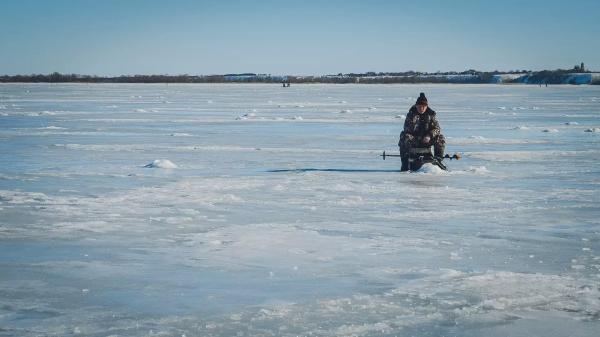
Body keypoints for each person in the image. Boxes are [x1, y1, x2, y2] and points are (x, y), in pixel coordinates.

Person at [398, 92, 445, 171]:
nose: (421, 108)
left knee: (440, 138)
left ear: (426, 106)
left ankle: (438, 160)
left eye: (424, 106)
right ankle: (405, 162)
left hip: (427, 140)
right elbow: (406, 129)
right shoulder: (411, 114)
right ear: (416, 106)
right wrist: (417, 137)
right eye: (419, 106)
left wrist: (429, 135)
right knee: (404, 136)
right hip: (415, 140)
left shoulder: (431, 115)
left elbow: (437, 129)